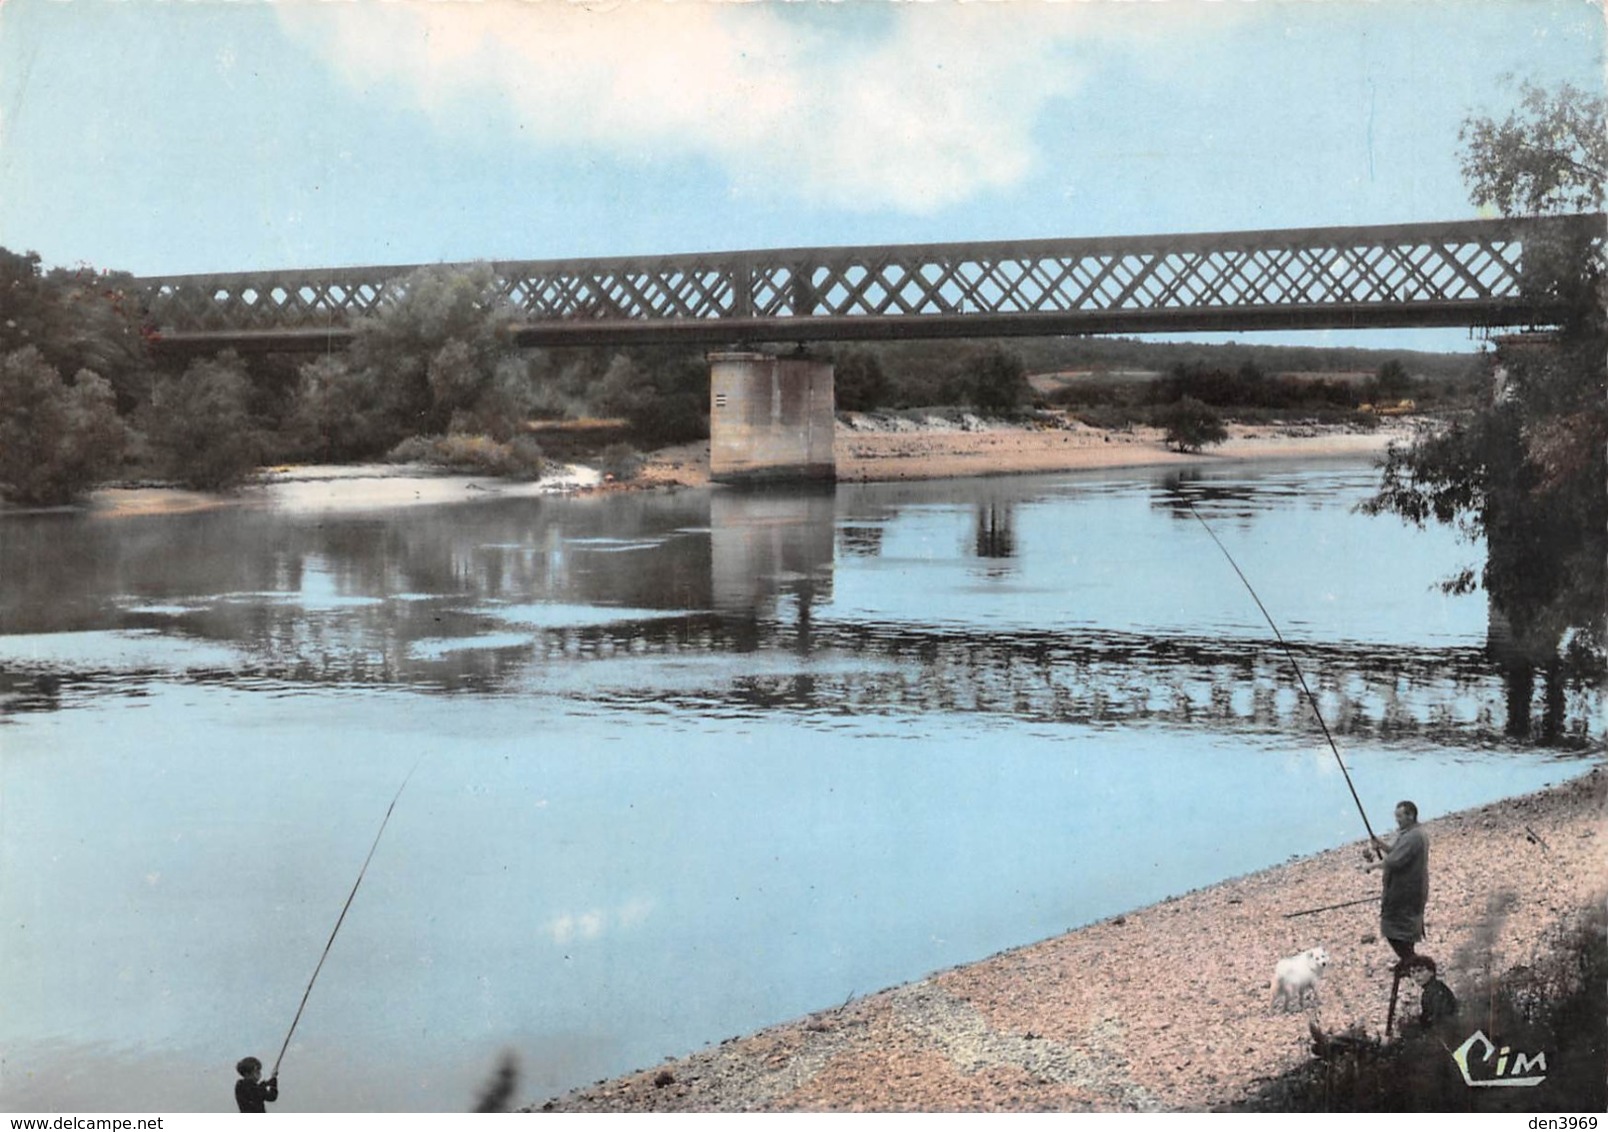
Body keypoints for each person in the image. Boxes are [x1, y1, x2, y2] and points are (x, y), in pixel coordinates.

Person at [1365, 800, 1428, 964]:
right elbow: (1395, 852)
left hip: (1405, 892)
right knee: (1405, 930)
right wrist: (1381, 844)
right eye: (1396, 816)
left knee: (1394, 929)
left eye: (1400, 816)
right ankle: (1409, 960)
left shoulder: (1413, 836)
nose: (1397, 820)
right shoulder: (1411, 833)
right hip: (1408, 891)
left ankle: (1411, 961)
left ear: (1411, 815)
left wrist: (1370, 866)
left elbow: (1393, 861)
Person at [1405, 955, 1459, 1030]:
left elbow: (1438, 1020)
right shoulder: (1430, 990)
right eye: (1413, 972)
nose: (1416, 975)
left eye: (1420, 971)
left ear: (1431, 972)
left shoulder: (1437, 991)